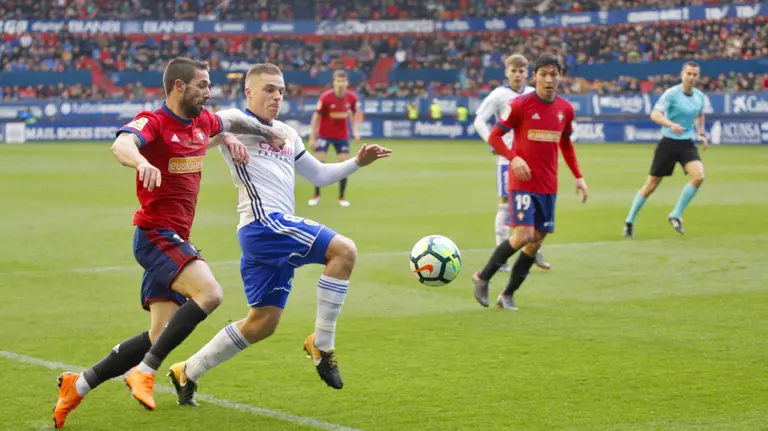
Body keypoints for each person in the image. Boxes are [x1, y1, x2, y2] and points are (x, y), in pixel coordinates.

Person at [52, 57, 287, 428]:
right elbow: (123, 144)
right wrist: (139, 162)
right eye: (202, 86)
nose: (209, 93)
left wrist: (260, 132)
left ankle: (77, 385)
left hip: (174, 238)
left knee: (158, 335)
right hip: (155, 234)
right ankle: (143, 373)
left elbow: (233, 119)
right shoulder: (155, 121)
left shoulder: (201, 123)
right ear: (179, 87)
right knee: (210, 294)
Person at [165, 63, 391, 405]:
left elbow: (319, 175)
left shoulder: (287, 132)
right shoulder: (233, 120)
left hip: (269, 233)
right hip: (263, 223)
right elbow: (191, 134)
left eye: (281, 90)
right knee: (344, 251)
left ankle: (187, 371)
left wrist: (356, 162)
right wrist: (224, 136)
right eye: (269, 89)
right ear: (249, 92)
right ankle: (323, 344)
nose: (277, 96)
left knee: (262, 324)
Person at [471, 54, 588, 311]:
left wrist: (578, 176)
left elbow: (566, 144)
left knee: (537, 240)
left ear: (560, 77)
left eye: (553, 74)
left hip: (548, 184)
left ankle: (507, 294)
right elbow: (495, 136)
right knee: (523, 235)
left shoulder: (565, 110)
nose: (548, 79)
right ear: (534, 76)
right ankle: (483, 277)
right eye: (543, 74)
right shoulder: (520, 105)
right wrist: (513, 159)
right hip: (522, 181)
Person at [473, 53, 550, 272]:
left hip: (532, 159)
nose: (517, 75)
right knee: (506, 206)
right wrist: (491, 141)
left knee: (535, 205)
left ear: (528, 73)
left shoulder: (533, 94)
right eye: (513, 71)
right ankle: (501, 255)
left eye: (521, 71)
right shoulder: (498, 95)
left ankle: (533, 250)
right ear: (507, 72)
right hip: (507, 159)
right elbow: (479, 120)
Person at [623, 61, 708, 237]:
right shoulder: (672, 94)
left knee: (699, 176)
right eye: (689, 74)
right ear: (682, 74)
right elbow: (654, 114)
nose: (691, 77)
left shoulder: (699, 96)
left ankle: (675, 214)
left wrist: (701, 134)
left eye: (695, 75)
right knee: (651, 185)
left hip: (686, 144)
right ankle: (629, 220)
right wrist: (671, 124)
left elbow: (699, 114)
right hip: (668, 143)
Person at [308, 70, 361, 207]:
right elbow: (315, 117)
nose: (340, 84)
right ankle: (316, 195)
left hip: (341, 136)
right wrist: (312, 137)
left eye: (343, 81)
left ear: (347, 82)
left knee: (344, 165)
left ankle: (341, 198)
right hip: (324, 135)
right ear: (334, 82)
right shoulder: (325, 97)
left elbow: (354, 113)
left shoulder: (352, 98)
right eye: (338, 81)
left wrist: (355, 130)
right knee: (319, 164)